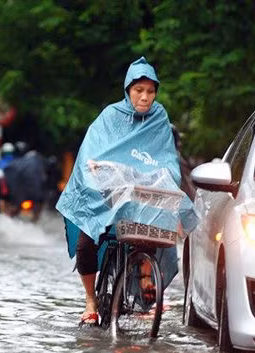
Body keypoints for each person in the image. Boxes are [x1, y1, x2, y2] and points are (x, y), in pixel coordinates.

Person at [55, 56, 198, 325]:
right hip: (105, 195)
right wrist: (97, 175)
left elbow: (166, 160)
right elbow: (91, 154)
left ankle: (142, 287)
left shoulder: (159, 118)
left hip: (140, 197)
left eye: (150, 91)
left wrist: (163, 183)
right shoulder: (110, 116)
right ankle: (90, 301)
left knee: (152, 237)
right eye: (139, 90)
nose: (145, 97)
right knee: (86, 243)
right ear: (128, 90)